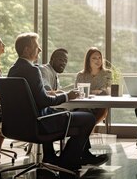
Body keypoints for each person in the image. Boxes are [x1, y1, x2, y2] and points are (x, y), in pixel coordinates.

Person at [7, 33, 107, 169]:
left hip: (20, 124)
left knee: (78, 114)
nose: (40, 50)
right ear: (26, 50)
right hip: (41, 122)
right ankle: (69, 160)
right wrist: (68, 96)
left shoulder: (13, 70)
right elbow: (43, 100)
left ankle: (52, 156)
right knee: (88, 118)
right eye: (37, 47)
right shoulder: (32, 70)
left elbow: (34, 97)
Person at [75, 47, 112, 125]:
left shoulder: (107, 73)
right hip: (84, 106)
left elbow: (108, 91)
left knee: (102, 109)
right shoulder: (81, 75)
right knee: (83, 111)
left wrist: (90, 92)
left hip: (101, 106)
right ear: (88, 60)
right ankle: (87, 131)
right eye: (94, 58)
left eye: (100, 58)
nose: (98, 60)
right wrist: (97, 91)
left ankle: (87, 130)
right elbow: (77, 92)